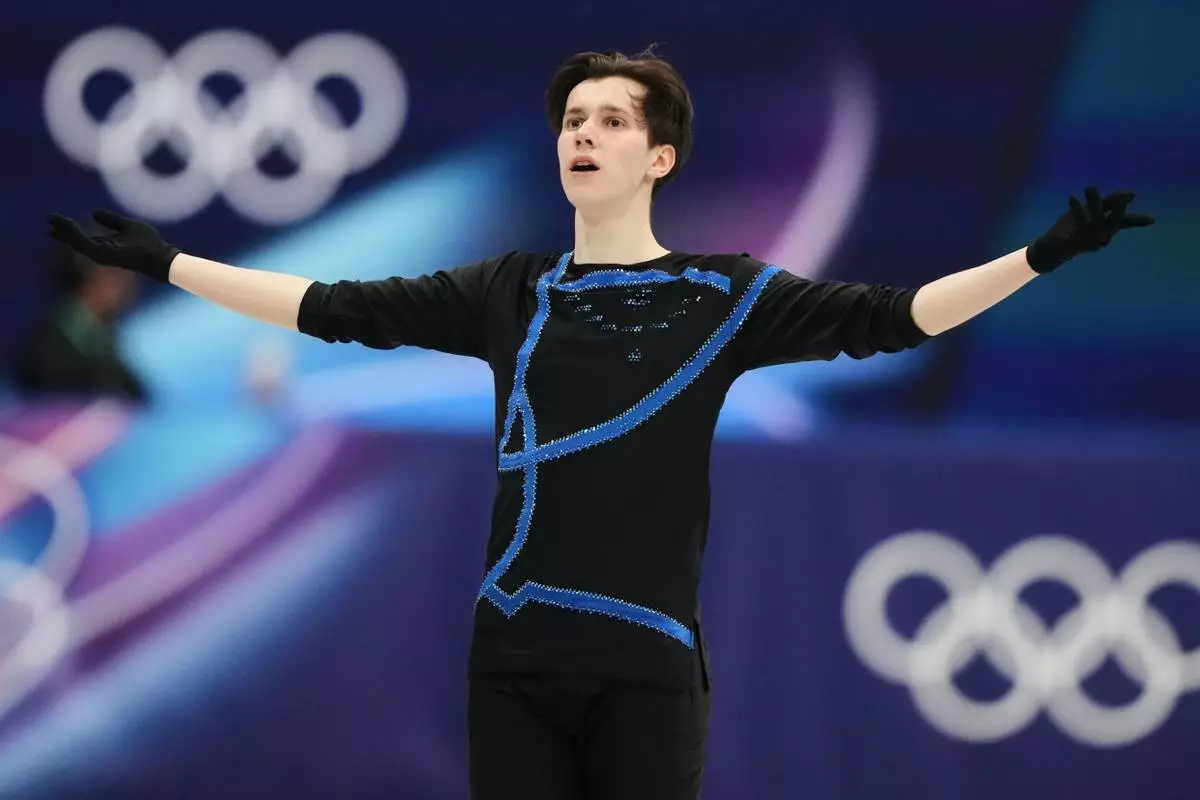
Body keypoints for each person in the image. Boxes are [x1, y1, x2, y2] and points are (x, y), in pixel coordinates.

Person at [46, 48, 1154, 800]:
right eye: (574, 120)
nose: (585, 134)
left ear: (660, 156)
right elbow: (333, 312)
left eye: (611, 121)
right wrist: (171, 265)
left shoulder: (726, 296)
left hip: (647, 663)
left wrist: (1036, 257)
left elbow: (899, 319)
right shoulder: (508, 288)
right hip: (516, 659)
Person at [13, 243, 147, 403]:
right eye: (118, 274)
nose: (129, 285)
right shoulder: (48, 353)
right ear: (92, 279)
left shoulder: (103, 342)